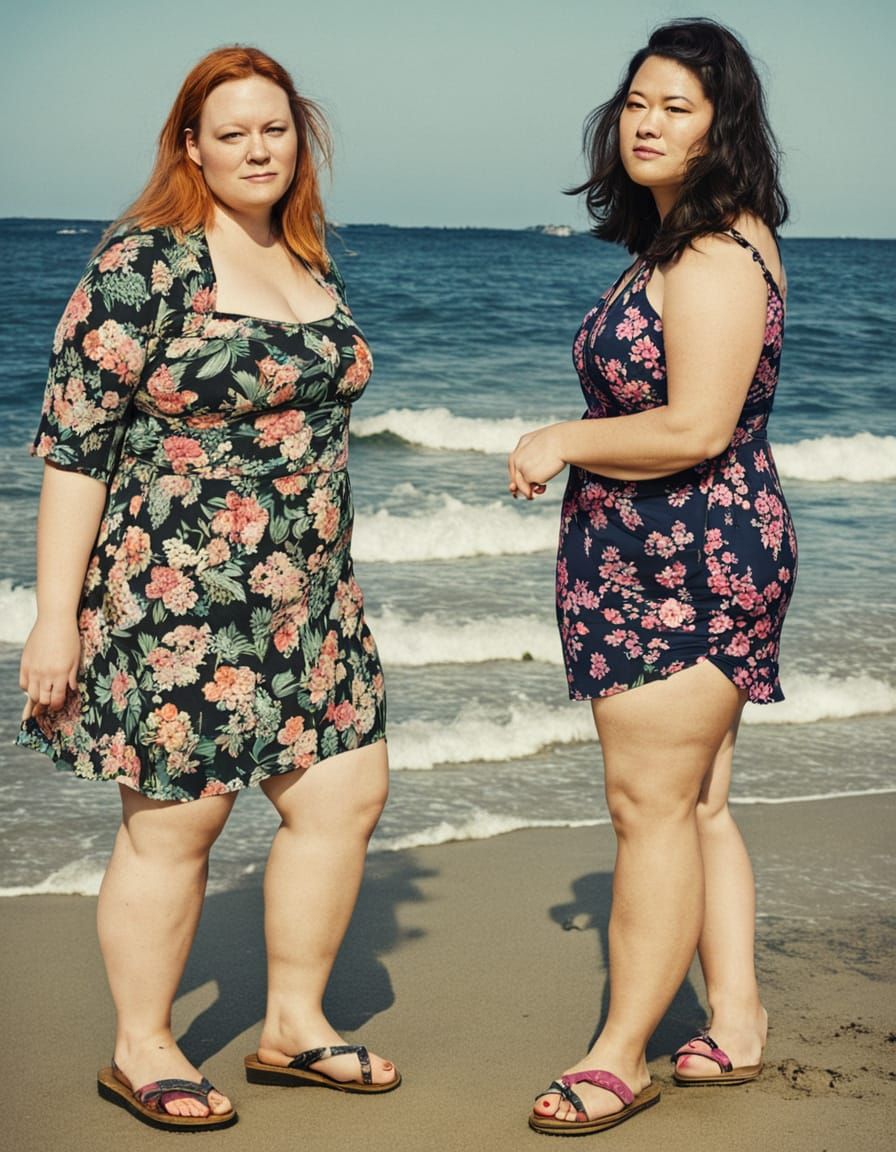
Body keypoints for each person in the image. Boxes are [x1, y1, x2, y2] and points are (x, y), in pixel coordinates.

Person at [18, 46, 399, 1131]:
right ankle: (141, 1046)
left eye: (272, 128)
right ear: (190, 145)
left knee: (344, 794)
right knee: (178, 824)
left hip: (313, 597)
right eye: (228, 133)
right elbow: (73, 450)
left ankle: (292, 1024)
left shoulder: (307, 257)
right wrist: (54, 618)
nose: (254, 149)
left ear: (299, 135)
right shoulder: (145, 266)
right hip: (176, 603)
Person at [508, 19, 795, 1136]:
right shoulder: (694, 240)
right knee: (696, 804)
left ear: (721, 126)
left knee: (649, 811)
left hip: (683, 559)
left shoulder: (717, 252)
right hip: (672, 553)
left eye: (675, 106)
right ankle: (734, 1019)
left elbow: (694, 425)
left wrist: (561, 439)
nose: (645, 121)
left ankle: (619, 1055)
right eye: (636, 100)